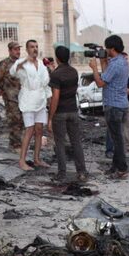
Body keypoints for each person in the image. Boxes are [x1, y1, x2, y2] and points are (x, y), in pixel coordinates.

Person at [90, 34, 129, 177]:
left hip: (113, 106)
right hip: (121, 104)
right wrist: (102, 60)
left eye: (107, 48)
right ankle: (115, 166)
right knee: (116, 138)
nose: (105, 51)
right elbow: (108, 73)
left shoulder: (115, 64)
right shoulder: (122, 61)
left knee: (117, 140)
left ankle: (122, 168)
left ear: (112, 48)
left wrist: (94, 68)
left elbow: (101, 83)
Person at [47, 45, 87, 182]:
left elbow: (55, 97)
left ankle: (62, 173)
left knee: (60, 143)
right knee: (76, 142)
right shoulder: (74, 72)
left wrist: (50, 117)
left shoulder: (56, 74)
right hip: (73, 111)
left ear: (57, 58)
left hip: (60, 113)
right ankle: (81, 172)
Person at [14, 39, 51, 170]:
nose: (35, 49)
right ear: (27, 49)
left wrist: (49, 99)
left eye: (36, 46)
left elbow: (46, 84)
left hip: (40, 100)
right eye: (32, 47)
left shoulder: (41, 64)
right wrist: (26, 60)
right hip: (28, 101)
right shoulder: (21, 63)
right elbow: (13, 71)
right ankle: (22, 161)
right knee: (29, 130)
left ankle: (36, 159)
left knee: (39, 129)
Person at [0, 41, 24, 151]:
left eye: (19, 49)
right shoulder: (4, 64)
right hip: (11, 98)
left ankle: (19, 142)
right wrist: (5, 88)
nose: (18, 52)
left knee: (21, 121)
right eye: (15, 49)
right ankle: (15, 145)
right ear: (10, 51)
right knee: (14, 120)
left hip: (23, 97)